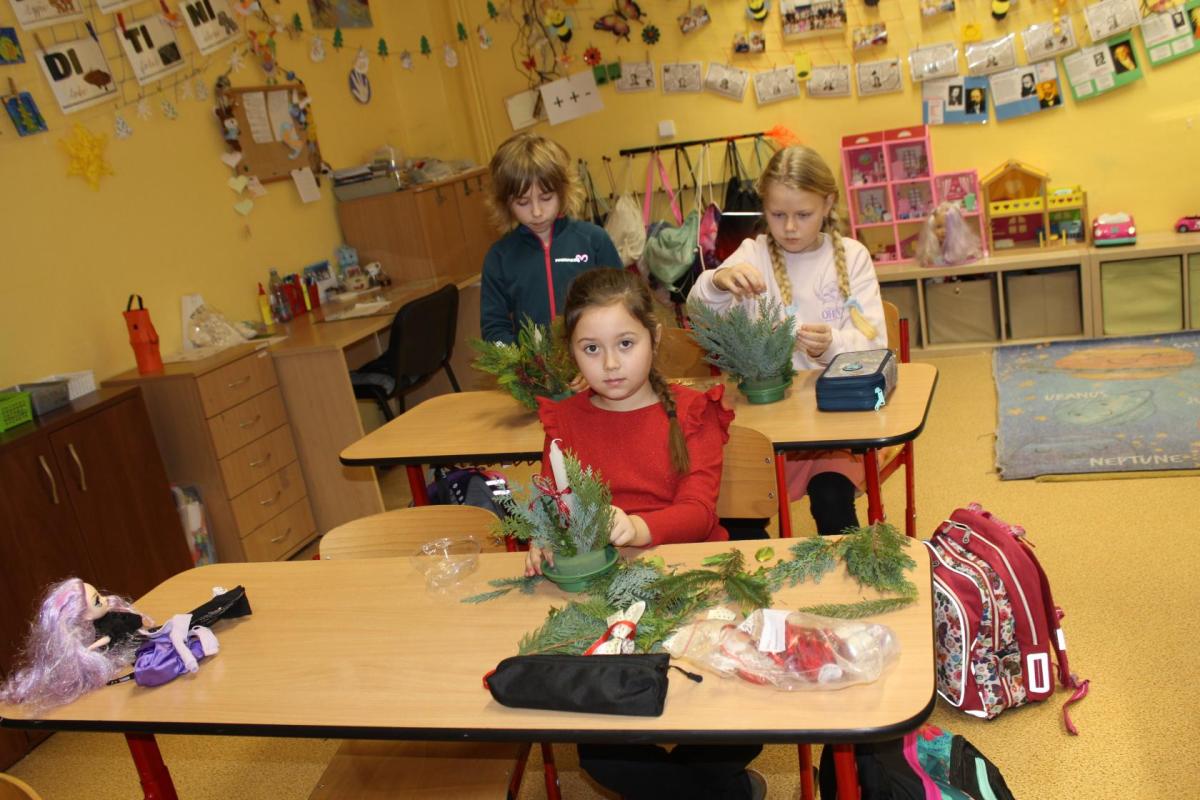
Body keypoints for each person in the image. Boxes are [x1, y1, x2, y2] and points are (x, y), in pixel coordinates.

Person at [530, 268, 766, 800]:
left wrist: (637, 527)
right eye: (591, 348)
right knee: (605, 756)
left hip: (694, 581)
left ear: (654, 338)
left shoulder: (692, 412)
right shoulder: (565, 422)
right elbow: (554, 503)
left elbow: (698, 513)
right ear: (572, 351)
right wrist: (542, 538)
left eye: (625, 344)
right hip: (603, 599)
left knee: (741, 719)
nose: (611, 364)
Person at [688, 145, 885, 536]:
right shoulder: (753, 254)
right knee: (736, 510)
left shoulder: (852, 256)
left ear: (828, 203)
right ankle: (763, 572)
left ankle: (845, 572)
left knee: (831, 498)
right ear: (765, 207)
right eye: (778, 215)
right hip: (767, 421)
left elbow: (876, 345)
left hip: (834, 425)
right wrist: (717, 281)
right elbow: (697, 311)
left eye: (803, 215)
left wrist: (832, 345)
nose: (790, 227)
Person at [480, 132, 621, 344]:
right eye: (522, 202)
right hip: (532, 362)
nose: (536, 212)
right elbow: (494, 329)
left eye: (546, 198)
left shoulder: (594, 241)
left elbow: (623, 304)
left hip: (593, 357)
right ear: (505, 203)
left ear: (563, 192)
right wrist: (521, 359)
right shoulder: (499, 257)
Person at [915, 202, 982, 268]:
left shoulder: (962, 247)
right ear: (932, 229)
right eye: (939, 227)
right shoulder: (931, 249)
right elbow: (929, 260)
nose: (943, 231)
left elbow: (970, 255)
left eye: (948, 226)